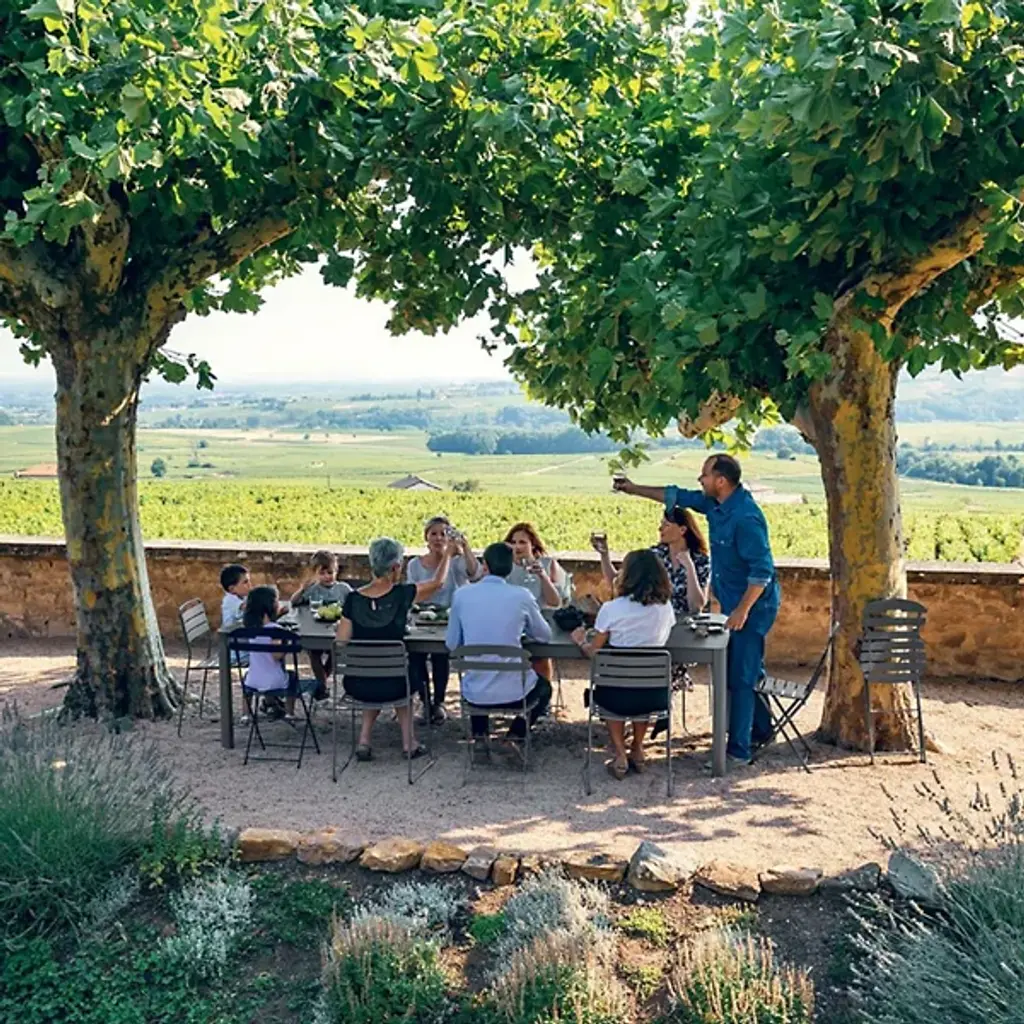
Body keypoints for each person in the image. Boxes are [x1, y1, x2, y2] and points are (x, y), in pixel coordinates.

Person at [614, 454, 781, 765]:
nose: (699, 480)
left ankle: (738, 751)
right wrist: (633, 488)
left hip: (754, 605)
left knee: (740, 677)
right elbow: (675, 495)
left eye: (704, 475)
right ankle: (762, 730)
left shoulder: (746, 518)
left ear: (721, 481)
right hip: (733, 601)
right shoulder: (714, 504)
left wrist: (742, 611)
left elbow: (762, 572)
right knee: (746, 668)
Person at [335, 535, 456, 761]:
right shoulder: (402, 595)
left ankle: (364, 740)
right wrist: (448, 554)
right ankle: (409, 742)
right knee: (402, 676)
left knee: (375, 671)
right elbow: (437, 583)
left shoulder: (352, 599)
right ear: (396, 567)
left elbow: (340, 642)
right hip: (396, 683)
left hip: (357, 683)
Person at [571, 550, 677, 780]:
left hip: (614, 694)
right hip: (653, 694)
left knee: (614, 684)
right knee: (639, 685)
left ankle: (620, 753)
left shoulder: (612, 609)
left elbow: (594, 652)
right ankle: (637, 748)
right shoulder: (665, 608)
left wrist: (581, 641)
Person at [445, 541, 553, 744]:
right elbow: (544, 636)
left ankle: (480, 736)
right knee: (544, 688)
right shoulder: (522, 596)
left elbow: (452, 644)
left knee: (478, 674)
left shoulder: (461, 595)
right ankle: (516, 733)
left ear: (485, 565)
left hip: (475, 693)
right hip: (517, 693)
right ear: (511, 567)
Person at [406, 516, 480, 725]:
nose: (438, 538)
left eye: (443, 534)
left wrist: (465, 547)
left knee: (441, 656)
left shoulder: (456, 563)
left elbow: (475, 574)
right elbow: (415, 593)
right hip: (421, 618)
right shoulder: (415, 565)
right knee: (416, 655)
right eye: (434, 534)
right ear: (426, 538)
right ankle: (424, 700)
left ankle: (438, 702)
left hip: (449, 619)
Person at [591, 507, 710, 617]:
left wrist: (689, 567)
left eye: (666, 525)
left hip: (687, 624)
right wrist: (604, 555)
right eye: (661, 524)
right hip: (655, 621)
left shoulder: (700, 560)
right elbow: (616, 580)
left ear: (682, 530)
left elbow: (696, 607)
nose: (660, 529)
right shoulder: (654, 556)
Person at [240, 584, 312, 719]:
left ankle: (246, 714)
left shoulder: (250, 629)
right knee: (292, 676)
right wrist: (287, 644)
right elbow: (276, 655)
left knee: (246, 677)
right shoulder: (276, 631)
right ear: (271, 606)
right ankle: (289, 713)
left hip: (253, 681)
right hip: (275, 681)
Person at [289, 550, 352, 700]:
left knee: (335, 653)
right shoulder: (313, 589)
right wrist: (302, 589)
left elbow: (354, 602)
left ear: (336, 571)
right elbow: (294, 602)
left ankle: (321, 684)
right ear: (315, 574)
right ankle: (322, 685)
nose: (327, 577)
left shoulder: (343, 589)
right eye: (322, 573)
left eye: (330, 573)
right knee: (314, 653)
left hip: (336, 631)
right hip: (316, 629)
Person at [220, 563, 251, 628]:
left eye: (249, 581)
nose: (249, 584)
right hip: (231, 632)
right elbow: (248, 607)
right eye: (245, 582)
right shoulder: (229, 600)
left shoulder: (243, 596)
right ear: (232, 589)